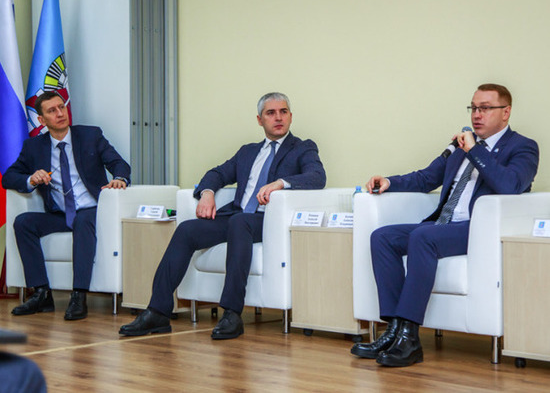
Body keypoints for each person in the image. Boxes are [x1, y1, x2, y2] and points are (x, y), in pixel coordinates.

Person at [351, 83, 539, 367]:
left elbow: (510, 185)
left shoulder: (523, 147)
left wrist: (475, 150)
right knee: (382, 237)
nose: (477, 115)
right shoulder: (460, 147)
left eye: (485, 108)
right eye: (473, 108)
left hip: (477, 230)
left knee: (423, 236)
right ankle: (394, 330)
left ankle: (410, 339)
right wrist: (390, 181)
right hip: (443, 226)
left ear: (506, 112)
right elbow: (427, 177)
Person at [120, 92, 326, 339]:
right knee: (187, 229)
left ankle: (232, 314)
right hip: (237, 217)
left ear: (291, 116)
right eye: (271, 113)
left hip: (266, 220)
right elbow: (217, 173)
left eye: (283, 112)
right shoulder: (248, 152)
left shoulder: (302, 148)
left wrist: (280, 183)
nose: (278, 117)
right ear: (259, 120)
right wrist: (207, 193)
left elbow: (317, 176)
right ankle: (157, 312)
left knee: (240, 222)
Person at [2, 91, 131, 321]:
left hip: (92, 211)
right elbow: (9, 177)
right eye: (52, 111)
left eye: (62, 107)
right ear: (41, 120)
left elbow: (119, 163)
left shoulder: (90, 135)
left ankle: (79, 295)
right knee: (23, 223)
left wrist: (120, 178)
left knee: (82, 220)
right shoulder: (33, 147)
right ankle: (41, 293)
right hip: (60, 214)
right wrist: (31, 178)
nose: (60, 113)